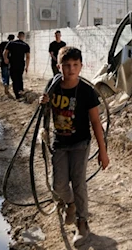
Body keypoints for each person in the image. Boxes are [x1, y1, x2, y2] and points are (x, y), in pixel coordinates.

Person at [40, 46, 109, 247]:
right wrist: (42, 102)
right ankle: (69, 203)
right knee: (58, 185)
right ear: (58, 66)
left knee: (79, 183)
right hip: (59, 143)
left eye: (75, 65)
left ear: (81, 66)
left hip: (80, 143)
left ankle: (82, 223)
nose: (71, 69)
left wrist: (102, 152)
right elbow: (44, 113)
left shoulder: (87, 92)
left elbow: (96, 122)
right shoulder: (52, 87)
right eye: (66, 65)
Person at [3, 31, 31, 100]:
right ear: (23, 37)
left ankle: (17, 95)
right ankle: (20, 91)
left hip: (13, 64)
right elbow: (28, 57)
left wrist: (5, 59)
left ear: (17, 36)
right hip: (21, 64)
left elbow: (5, 52)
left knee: (14, 79)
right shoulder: (26, 45)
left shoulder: (11, 43)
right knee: (19, 78)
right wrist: (27, 67)